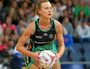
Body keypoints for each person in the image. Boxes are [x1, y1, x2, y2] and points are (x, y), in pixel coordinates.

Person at [16, 0, 65, 69]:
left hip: (51, 51)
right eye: (46, 8)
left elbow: (62, 45)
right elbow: (18, 47)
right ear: (39, 11)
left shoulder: (57, 25)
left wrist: (58, 55)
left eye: (51, 8)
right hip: (34, 53)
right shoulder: (32, 27)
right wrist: (32, 55)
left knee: (57, 66)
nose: (50, 10)